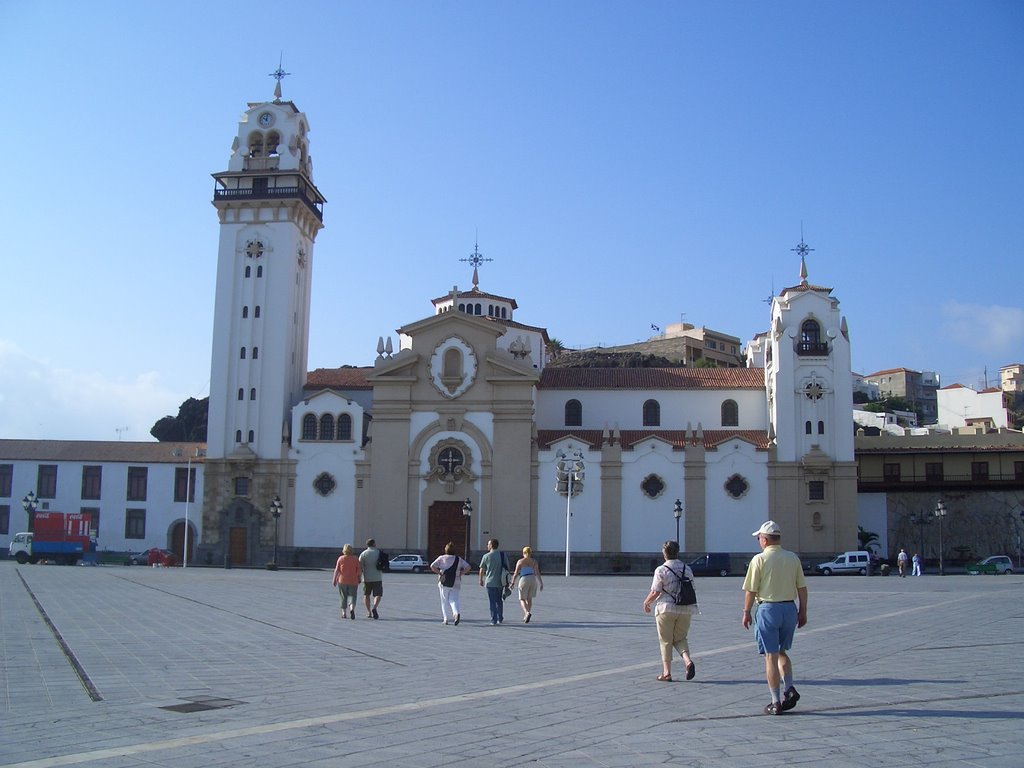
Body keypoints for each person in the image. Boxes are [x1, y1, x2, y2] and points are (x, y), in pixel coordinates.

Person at [742, 520, 808, 715]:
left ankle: (775, 701)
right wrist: (802, 611)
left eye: (759, 538)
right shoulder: (792, 558)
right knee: (782, 652)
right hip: (789, 608)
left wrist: (746, 612)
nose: (758, 542)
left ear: (765, 539)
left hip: (768, 609)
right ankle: (789, 688)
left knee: (770, 656)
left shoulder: (759, 560)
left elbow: (750, 590)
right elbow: (802, 588)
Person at [642, 540, 698, 682]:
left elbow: (655, 591)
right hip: (686, 608)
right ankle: (687, 661)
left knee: (666, 641)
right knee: (680, 638)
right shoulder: (687, 568)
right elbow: (693, 587)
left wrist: (647, 602)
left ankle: (667, 673)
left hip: (666, 608)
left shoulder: (661, 570)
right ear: (677, 552)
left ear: (664, 553)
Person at [430, 542, 472, 625]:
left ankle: (445, 619)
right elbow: (468, 567)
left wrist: (440, 573)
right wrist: (461, 573)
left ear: (445, 550)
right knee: (454, 600)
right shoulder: (458, 559)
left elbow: (432, 566)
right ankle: (456, 614)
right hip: (456, 581)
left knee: (444, 600)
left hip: (444, 581)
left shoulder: (441, 558)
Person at [510, 546, 544, 623]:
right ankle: (526, 615)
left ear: (523, 553)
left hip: (524, 579)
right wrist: (541, 583)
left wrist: (512, 582)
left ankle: (526, 613)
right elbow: (537, 573)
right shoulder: (534, 561)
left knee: (522, 598)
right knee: (529, 598)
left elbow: (516, 573)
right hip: (532, 579)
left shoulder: (520, 561)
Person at [478, 538, 508, 625]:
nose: (487, 546)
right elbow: (507, 567)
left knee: (492, 601)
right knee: (499, 600)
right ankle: (500, 617)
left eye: (488, 544)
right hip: (500, 581)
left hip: (490, 582)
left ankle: (493, 619)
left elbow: (482, 570)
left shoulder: (486, 556)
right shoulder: (502, 555)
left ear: (491, 545)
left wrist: (480, 579)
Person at [332, 543, 362, 620]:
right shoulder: (355, 559)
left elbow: (337, 570)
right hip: (353, 580)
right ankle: (352, 609)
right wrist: (359, 578)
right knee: (352, 596)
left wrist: (334, 580)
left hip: (342, 580)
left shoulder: (341, 558)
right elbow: (359, 570)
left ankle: (344, 613)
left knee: (343, 596)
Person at [358, 538, 383, 619]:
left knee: (366, 595)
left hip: (367, 578)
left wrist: (359, 577)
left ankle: (368, 612)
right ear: (374, 544)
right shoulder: (379, 552)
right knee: (378, 594)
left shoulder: (363, 554)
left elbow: (360, 567)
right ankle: (375, 607)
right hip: (377, 577)